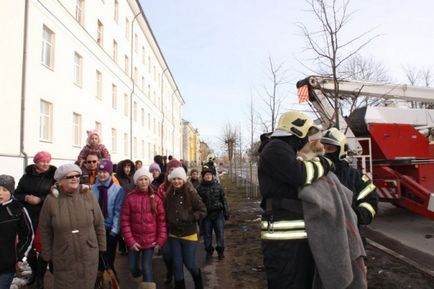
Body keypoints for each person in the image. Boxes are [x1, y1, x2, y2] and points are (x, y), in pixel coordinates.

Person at [258, 111, 333, 289]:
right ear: (297, 130)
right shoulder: (276, 147)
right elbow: (300, 174)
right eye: (306, 134)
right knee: (288, 282)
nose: (307, 140)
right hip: (284, 241)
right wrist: (324, 163)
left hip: (291, 238)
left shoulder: (283, 149)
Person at [38, 164, 106, 289]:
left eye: (77, 175)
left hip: (88, 252)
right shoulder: (51, 200)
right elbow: (44, 229)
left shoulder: (88, 195)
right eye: (70, 177)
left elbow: (99, 223)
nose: (75, 179)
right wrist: (47, 254)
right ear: (61, 180)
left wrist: (101, 247)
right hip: (63, 255)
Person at [320, 128, 378, 228]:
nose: (325, 153)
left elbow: (370, 203)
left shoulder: (356, 177)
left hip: (348, 234)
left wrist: (355, 215)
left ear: (341, 151)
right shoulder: (314, 175)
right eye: (322, 149)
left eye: (329, 148)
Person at [14, 151, 56, 286]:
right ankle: (34, 270)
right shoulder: (26, 177)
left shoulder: (53, 177)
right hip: (28, 216)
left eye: (48, 161)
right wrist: (26, 197)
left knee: (44, 247)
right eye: (42, 161)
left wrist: (40, 200)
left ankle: (40, 277)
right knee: (30, 248)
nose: (45, 164)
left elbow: (57, 195)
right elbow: (17, 194)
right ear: (36, 162)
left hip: (46, 215)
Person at [121, 168, 166, 288]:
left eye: (146, 179)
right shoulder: (130, 198)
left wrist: (160, 240)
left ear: (149, 180)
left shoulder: (155, 198)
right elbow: (125, 221)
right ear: (136, 181)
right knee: (132, 267)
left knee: (147, 267)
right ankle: (140, 278)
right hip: (134, 241)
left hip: (150, 241)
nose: (143, 182)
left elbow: (162, 221)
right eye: (140, 179)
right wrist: (130, 241)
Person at [166, 167, 207, 289]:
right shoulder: (169, 194)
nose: (176, 181)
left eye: (179, 179)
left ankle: (199, 285)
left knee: (190, 264)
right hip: (174, 235)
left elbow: (203, 210)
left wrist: (191, 217)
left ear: (183, 180)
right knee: (177, 265)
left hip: (189, 235)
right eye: (174, 179)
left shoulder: (191, 193)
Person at [91, 159, 124, 274]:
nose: (102, 174)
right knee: (97, 260)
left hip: (110, 230)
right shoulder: (92, 189)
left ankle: (112, 282)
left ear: (110, 173)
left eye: (105, 172)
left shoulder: (117, 190)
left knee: (109, 261)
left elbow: (118, 211)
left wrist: (114, 231)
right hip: (95, 229)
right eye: (99, 171)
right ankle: (99, 282)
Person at [0, 175, 33, 289]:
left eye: (4, 190)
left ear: (11, 192)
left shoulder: (17, 209)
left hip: (6, 265)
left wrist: (20, 256)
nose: (0, 193)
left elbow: (28, 235)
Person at [155, 158, 183, 285]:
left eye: (176, 170)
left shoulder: (185, 187)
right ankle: (170, 271)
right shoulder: (162, 188)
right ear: (167, 173)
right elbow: (158, 207)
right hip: (165, 226)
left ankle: (179, 278)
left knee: (179, 256)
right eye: (171, 170)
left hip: (181, 227)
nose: (173, 173)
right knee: (166, 254)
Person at [196, 166, 229, 260]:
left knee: (220, 233)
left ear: (212, 176)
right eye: (206, 175)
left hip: (218, 213)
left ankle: (220, 251)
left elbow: (224, 200)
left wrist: (226, 212)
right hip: (206, 215)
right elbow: (197, 203)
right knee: (207, 234)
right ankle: (209, 251)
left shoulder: (218, 186)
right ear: (203, 177)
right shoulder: (199, 188)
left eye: (210, 174)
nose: (208, 176)